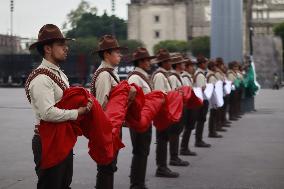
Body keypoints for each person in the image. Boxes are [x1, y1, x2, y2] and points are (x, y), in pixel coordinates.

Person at [26, 24, 93, 189]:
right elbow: (47, 113)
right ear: (48, 48)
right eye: (61, 45)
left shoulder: (60, 73)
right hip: (48, 139)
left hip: (61, 137)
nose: (66, 48)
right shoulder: (41, 78)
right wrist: (78, 112)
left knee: (64, 184)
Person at [90, 34, 136, 189]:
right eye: (117, 52)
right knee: (106, 167)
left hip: (112, 127)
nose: (120, 55)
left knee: (109, 167)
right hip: (107, 128)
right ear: (106, 54)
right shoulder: (104, 74)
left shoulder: (110, 72)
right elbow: (102, 106)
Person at [127, 47, 156, 189]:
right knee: (140, 151)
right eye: (146, 60)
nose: (149, 63)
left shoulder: (142, 75)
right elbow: (131, 99)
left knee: (143, 151)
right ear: (140, 62)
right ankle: (136, 183)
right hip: (139, 119)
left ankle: (139, 182)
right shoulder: (135, 77)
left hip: (145, 118)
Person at [152, 49, 179, 178]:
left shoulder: (164, 75)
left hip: (166, 112)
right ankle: (161, 167)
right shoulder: (159, 76)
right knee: (162, 140)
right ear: (164, 62)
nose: (171, 63)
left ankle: (163, 166)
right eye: (169, 61)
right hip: (162, 113)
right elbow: (159, 95)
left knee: (164, 139)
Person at [167, 55, 190, 166]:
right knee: (174, 133)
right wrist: (181, 93)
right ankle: (173, 157)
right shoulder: (173, 77)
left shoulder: (178, 76)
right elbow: (172, 94)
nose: (184, 64)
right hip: (175, 108)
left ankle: (175, 156)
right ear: (177, 65)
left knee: (177, 132)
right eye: (182, 63)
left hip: (180, 106)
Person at [180, 58, 198, 156]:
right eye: (191, 66)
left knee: (189, 127)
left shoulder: (188, 76)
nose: (193, 68)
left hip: (189, 104)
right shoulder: (185, 77)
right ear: (187, 67)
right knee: (188, 127)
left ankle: (184, 147)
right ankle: (184, 147)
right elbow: (188, 91)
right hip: (188, 105)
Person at [194, 55, 211, 148]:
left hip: (202, 99)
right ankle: (198, 140)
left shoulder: (201, 73)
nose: (206, 64)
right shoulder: (200, 74)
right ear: (200, 64)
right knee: (201, 120)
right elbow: (202, 88)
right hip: (202, 100)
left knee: (201, 120)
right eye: (205, 63)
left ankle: (199, 139)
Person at [207, 60, 223, 138]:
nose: (216, 68)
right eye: (214, 66)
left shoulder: (211, 74)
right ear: (212, 67)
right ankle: (212, 132)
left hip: (212, 98)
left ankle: (213, 131)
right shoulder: (211, 76)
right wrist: (216, 101)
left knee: (213, 115)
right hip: (213, 98)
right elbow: (213, 89)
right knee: (213, 115)